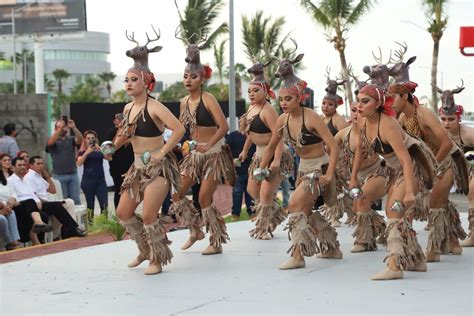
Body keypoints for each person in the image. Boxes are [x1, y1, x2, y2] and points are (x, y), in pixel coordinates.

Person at [260, 53, 342, 269]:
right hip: (304, 169)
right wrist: (260, 168)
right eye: (281, 100)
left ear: (299, 98)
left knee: (294, 205)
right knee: (304, 211)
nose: (284, 103)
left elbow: (333, 147)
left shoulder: (312, 117)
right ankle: (331, 246)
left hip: (319, 167)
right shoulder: (282, 119)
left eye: (289, 99)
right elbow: (270, 147)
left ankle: (297, 256)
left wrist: (330, 174)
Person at [115, 32, 185, 275]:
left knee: (148, 216)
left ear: (146, 82)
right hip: (137, 168)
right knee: (123, 213)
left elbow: (179, 129)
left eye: (133, 79)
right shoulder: (127, 108)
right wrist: (111, 146)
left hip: (158, 168)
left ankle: (157, 258)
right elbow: (124, 135)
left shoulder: (155, 106)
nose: (128, 83)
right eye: (126, 80)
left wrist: (162, 152)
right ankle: (144, 249)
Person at [350, 84, 435, 280]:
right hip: (393, 170)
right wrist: (353, 177)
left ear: (378, 103)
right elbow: (361, 152)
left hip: (410, 169)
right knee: (396, 213)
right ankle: (416, 260)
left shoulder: (388, 124)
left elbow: (406, 160)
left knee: (393, 211)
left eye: (365, 101)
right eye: (359, 101)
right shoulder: (362, 121)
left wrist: (410, 192)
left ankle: (395, 267)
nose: (360, 106)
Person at [389, 80, 468, 261]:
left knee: (434, 201)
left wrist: (432, 166)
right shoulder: (402, 119)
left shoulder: (424, 114)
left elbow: (447, 143)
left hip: (448, 159)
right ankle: (452, 238)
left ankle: (433, 249)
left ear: (405, 96)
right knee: (437, 201)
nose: (390, 101)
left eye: (393, 97)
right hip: (429, 162)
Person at [169, 40, 233, 255]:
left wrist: (209, 145)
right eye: (185, 76)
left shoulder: (209, 98)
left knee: (204, 197)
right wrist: (179, 145)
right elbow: (180, 128)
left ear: (202, 78)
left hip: (213, 153)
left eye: (193, 76)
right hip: (195, 153)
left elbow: (224, 126)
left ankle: (216, 240)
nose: (188, 80)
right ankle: (195, 230)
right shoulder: (183, 102)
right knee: (177, 193)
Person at [238, 60, 293, 240]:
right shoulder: (251, 108)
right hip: (259, 154)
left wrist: (277, 160)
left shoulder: (268, 110)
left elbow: (279, 137)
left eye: (256, 91)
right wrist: (246, 150)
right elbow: (250, 133)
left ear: (266, 91)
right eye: (249, 91)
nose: (252, 94)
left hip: (274, 153)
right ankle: (275, 215)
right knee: (252, 189)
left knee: (265, 193)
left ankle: (263, 228)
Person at [439, 104, 474, 247]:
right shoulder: (438, 132)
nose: (446, 123)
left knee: (472, 193)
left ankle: (473, 235)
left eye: (451, 119)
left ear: (458, 118)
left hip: (471, 167)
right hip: (451, 167)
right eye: (443, 119)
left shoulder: (468, 134)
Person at [25, 156, 85, 239]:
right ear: (31, 166)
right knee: (57, 206)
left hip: (48, 202)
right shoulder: (29, 177)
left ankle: (67, 231)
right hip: (38, 204)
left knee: (69, 202)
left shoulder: (39, 176)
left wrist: (47, 177)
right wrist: (46, 202)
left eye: (42, 163)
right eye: (38, 164)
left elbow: (53, 190)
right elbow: (33, 195)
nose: (40, 166)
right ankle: (71, 230)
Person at [8, 157, 53, 245]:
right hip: (18, 207)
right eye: (19, 165)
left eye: (24, 165)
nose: (22, 167)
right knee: (30, 202)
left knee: (44, 215)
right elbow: (13, 197)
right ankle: (38, 224)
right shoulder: (10, 181)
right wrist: (32, 201)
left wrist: (37, 201)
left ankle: (38, 239)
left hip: (30, 206)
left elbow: (32, 194)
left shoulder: (26, 180)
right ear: (13, 167)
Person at [46, 118, 83, 205]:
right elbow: (50, 143)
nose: (63, 128)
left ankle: (75, 218)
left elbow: (80, 140)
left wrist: (74, 127)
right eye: (59, 126)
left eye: (64, 126)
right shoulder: (53, 140)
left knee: (76, 199)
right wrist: (59, 129)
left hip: (73, 174)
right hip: (59, 175)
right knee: (64, 200)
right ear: (56, 129)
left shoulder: (71, 139)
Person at [77, 130, 111, 224]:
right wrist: (87, 152)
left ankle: (104, 223)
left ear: (96, 139)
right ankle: (90, 224)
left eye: (93, 138)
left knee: (104, 204)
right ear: (85, 140)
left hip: (100, 181)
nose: (91, 140)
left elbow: (109, 158)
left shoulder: (100, 149)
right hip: (88, 182)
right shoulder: (82, 151)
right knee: (90, 205)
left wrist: (100, 149)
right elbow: (79, 163)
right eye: (88, 138)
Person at [226, 130, 255, 221]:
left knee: (251, 192)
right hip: (238, 170)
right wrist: (231, 162)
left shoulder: (253, 135)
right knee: (237, 193)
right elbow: (226, 150)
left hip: (251, 168)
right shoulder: (233, 136)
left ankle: (252, 212)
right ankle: (235, 214)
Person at [106, 113, 134, 209]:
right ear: (114, 121)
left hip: (130, 165)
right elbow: (109, 148)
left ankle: (128, 211)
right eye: (118, 118)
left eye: (122, 118)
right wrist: (119, 132)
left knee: (130, 190)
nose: (121, 120)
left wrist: (128, 140)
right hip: (116, 166)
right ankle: (118, 213)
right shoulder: (112, 132)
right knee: (118, 189)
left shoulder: (130, 131)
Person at [0, 173, 21, 251]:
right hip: (3, 208)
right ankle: (9, 242)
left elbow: (13, 193)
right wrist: (4, 208)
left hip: (6, 206)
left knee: (11, 213)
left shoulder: (5, 182)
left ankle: (15, 242)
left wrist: (6, 206)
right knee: (2, 219)